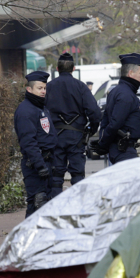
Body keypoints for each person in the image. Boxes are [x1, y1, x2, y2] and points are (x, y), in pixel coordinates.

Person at [46, 52, 101, 198]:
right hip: (76, 136)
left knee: (56, 176)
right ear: (74, 68)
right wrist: (91, 130)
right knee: (77, 176)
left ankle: (55, 209)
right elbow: (94, 112)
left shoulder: (49, 87)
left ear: (57, 69)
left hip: (55, 136)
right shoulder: (81, 87)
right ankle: (77, 207)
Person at [14, 70, 56, 218]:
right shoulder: (26, 111)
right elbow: (28, 142)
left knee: (43, 208)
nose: (43, 91)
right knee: (37, 207)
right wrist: (40, 165)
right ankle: (26, 240)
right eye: (39, 88)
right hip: (35, 167)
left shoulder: (41, 108)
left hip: (46, 164)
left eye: (44, 88)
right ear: (29, 89)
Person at [94, 52, 140, 164]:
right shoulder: (126, 95)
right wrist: (103, 144)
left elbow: (105, 121)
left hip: (119, 150)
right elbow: (114, 123)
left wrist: (103, 143)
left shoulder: (116, 91)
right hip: (124, 151)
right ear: (130, 73)